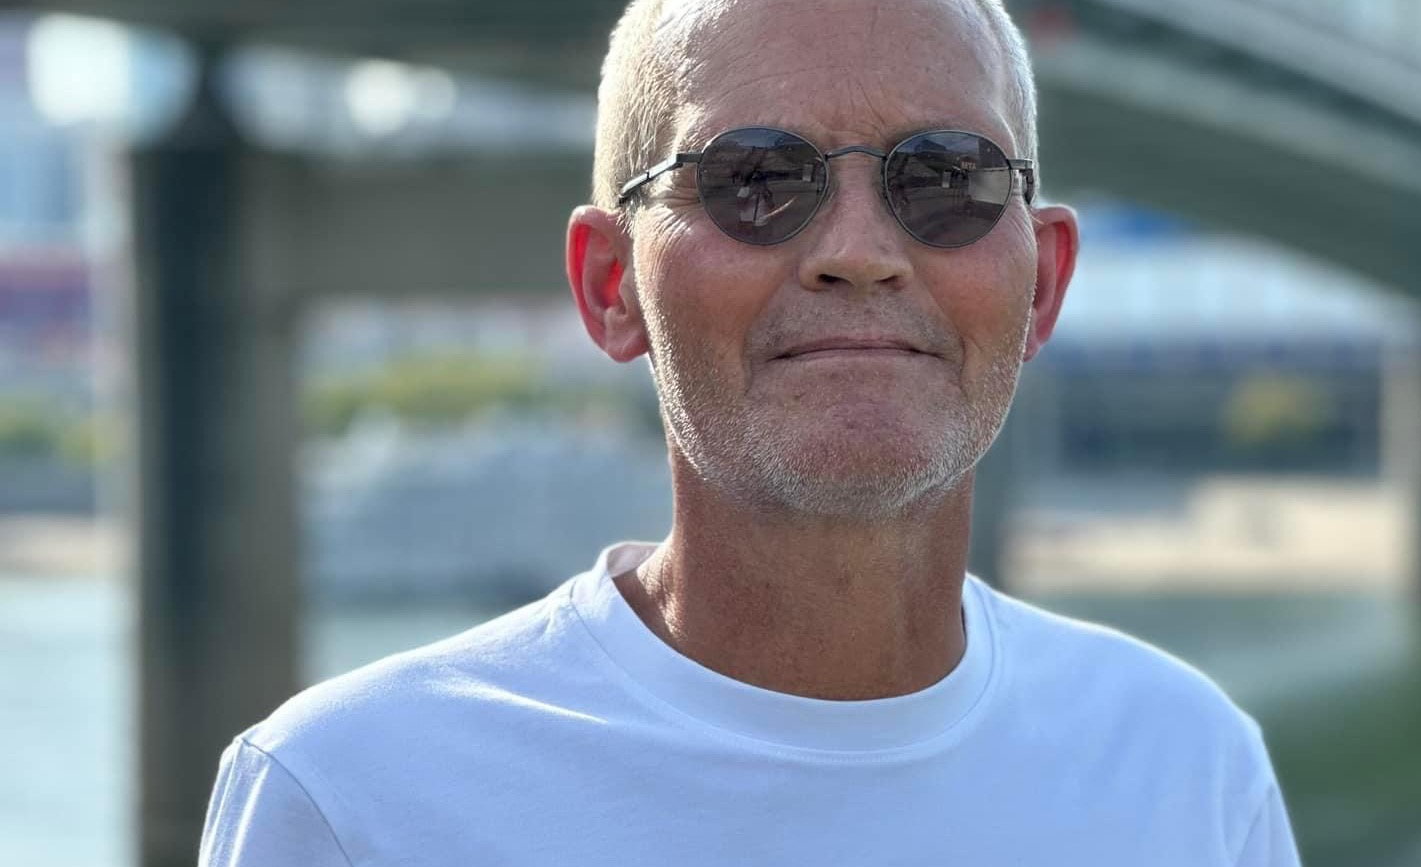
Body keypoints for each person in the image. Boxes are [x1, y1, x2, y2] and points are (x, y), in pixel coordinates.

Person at [198, 0, 1303, 864]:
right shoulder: (346, 800)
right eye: (757, 180)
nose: (859, 252)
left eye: (947, 179)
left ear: (1043, 285)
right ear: (611, 285)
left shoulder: (1193, 769)